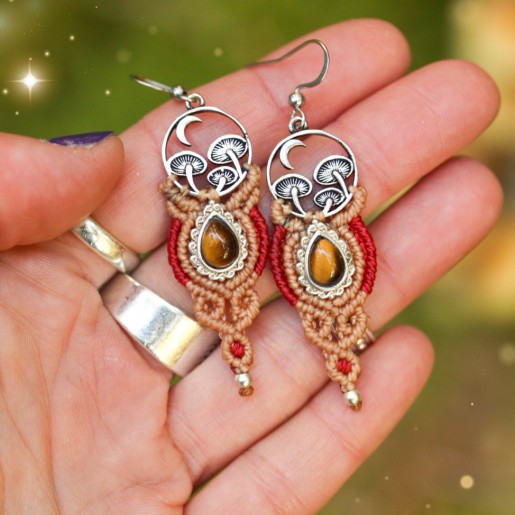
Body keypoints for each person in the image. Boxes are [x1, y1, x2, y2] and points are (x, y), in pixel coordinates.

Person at [0, 19, 502, 513]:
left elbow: (284, 238)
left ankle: (319, 369)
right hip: (237, 249)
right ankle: (304, 370)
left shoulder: (288, 221)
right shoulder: (222, 213)